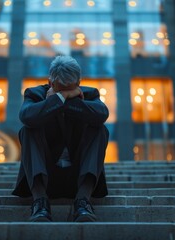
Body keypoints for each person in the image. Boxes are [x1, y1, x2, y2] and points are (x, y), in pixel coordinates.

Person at [12, 55, 109, 222]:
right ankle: (40, 203)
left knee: (100, 129)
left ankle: (83, 201)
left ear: (79, 83)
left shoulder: (90, 94)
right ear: (50, 83)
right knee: (27, 129)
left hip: (78, 178)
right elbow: (26, 116)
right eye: (60, 89)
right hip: (45, 178)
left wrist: (62, 99)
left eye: (69, 89)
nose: (65, 92)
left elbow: (102, 114)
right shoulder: (35, 94)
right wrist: (61, 99)